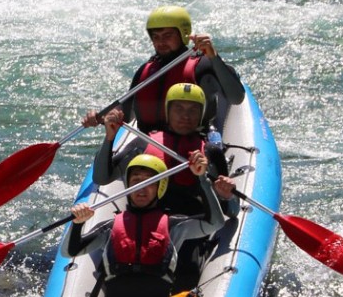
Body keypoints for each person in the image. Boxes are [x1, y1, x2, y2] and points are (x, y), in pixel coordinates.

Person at [64, 153, 223, 297]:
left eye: (149, 182)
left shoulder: (174, 226)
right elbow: (70, 251)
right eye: (136, 181)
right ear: (127, 185)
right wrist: (77, 224)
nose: (141, 187)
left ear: (160, 187)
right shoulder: (110, 227)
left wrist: (202, 179)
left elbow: (215, 223)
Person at [83, 5, 244, 133]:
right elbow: (125, 112)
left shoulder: (203, 65)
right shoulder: (145, 71)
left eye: (167, 36)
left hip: (194, 145)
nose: (160, 42)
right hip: (150, 144)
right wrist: (101, 117)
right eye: (156, 37)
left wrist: (214, 56)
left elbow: (236, 98)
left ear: (183, 34)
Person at [93, 82, 236, 216]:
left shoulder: (211, 152)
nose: (185, 116)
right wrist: (109, 138)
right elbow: (102, 178)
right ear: (168, 112)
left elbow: (233, 212)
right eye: (178, 109)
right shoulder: (144, 144)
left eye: (193, 110)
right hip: (145, 225)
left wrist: (226, 195)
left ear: (201, 115)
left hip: (192, 228)